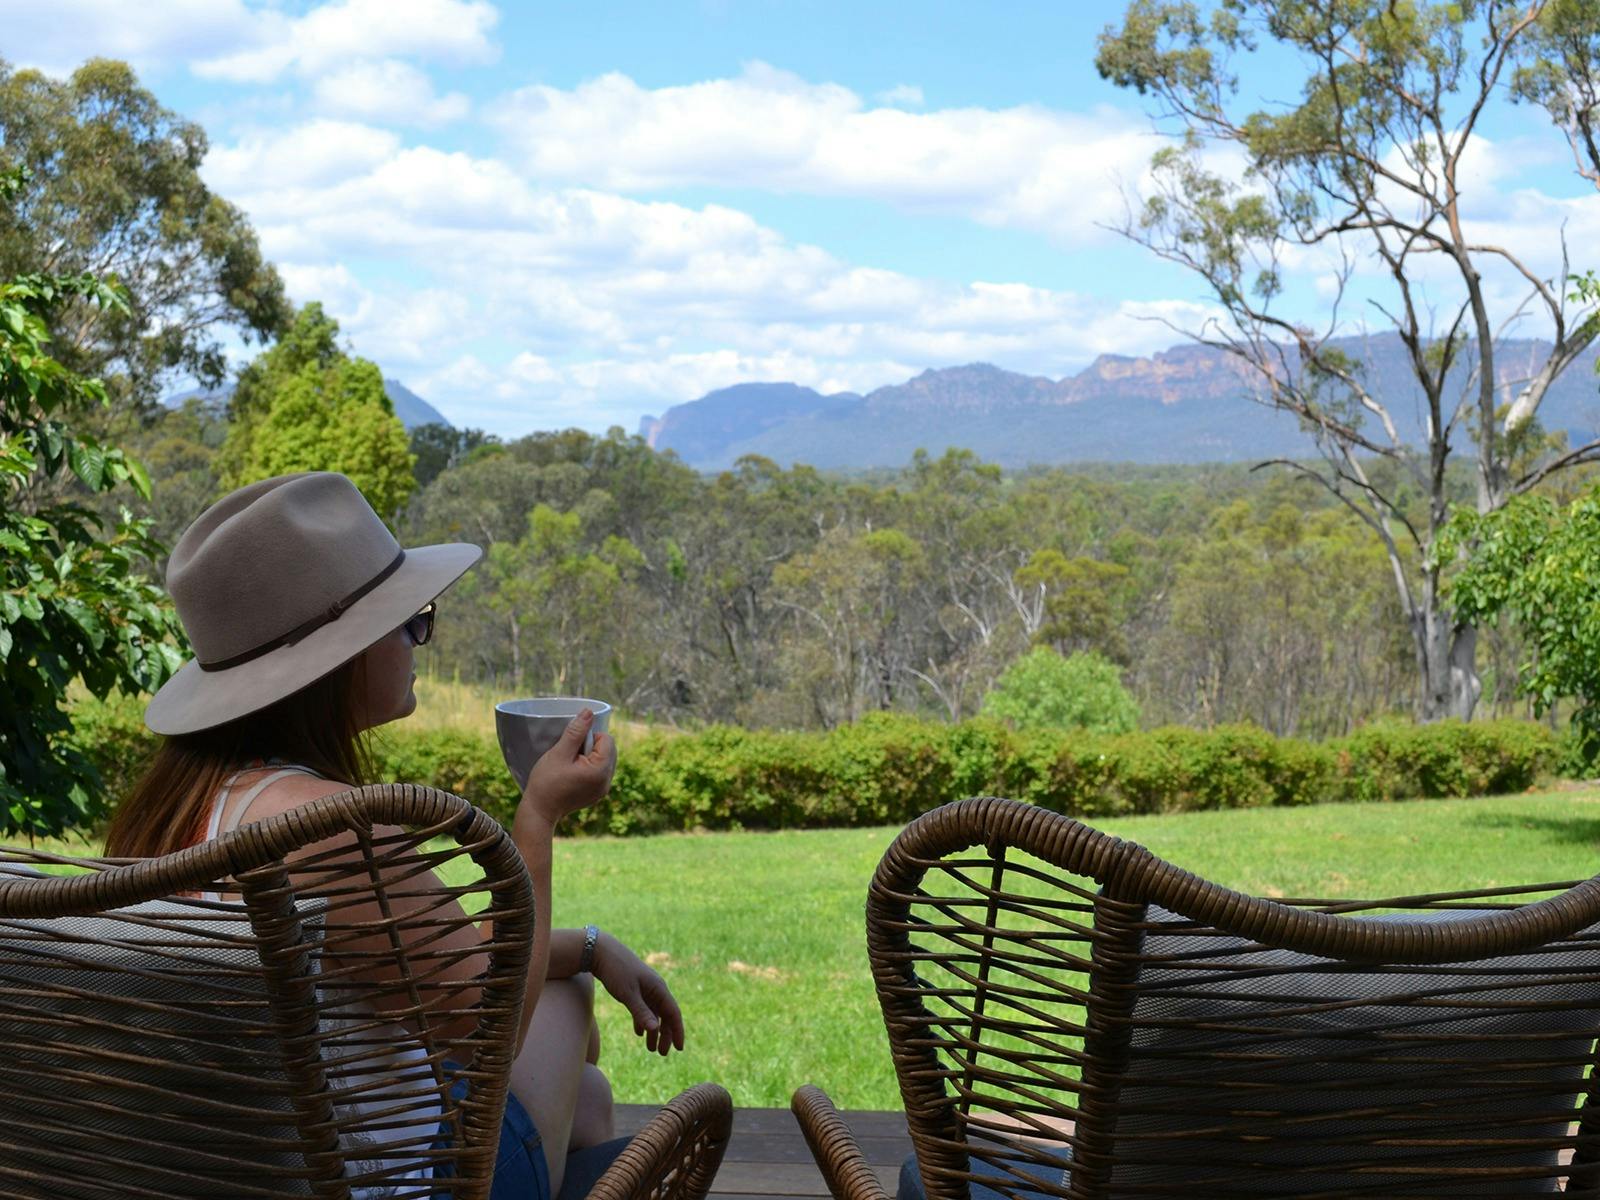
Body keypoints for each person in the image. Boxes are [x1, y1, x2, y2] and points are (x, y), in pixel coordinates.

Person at [107, 470, 684, 1199]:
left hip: (240, 1170)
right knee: (564, 1008)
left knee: (592, 1098)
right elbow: (492, 1041)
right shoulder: (327, 828)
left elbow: (398, 965)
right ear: (342, 656)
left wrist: (590, 946)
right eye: (413, 619)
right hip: (385, 1183)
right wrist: (538, 819)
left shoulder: (178, 810)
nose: (420, 640)